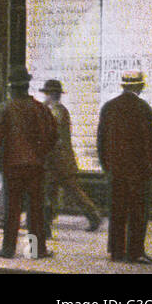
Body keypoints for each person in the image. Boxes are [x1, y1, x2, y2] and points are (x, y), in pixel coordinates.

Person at [0, 65, 57, 259]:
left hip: (12, 166)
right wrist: (41, 153)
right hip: (36, 166)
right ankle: (36, 250)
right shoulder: (40, 108)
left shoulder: (6, 108)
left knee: (12, 209)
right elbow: (53, 136)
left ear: (12, 88)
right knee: (35, 209)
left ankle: (8, 249)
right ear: (27, 86)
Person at [97, 71, 152, 264]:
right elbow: (149, 141)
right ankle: (135, 252)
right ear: (140, 86)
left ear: (123, 86)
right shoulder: (142, 108)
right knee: (137, 211)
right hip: (137, 171)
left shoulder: (108, 107)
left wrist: (105, 165)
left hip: (115, 170)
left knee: (117, 210)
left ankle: (117, 251)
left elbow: (101, 140)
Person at [39, 79, 101, 232]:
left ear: (50, 95)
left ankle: (93, 216)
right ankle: (45, 222)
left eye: (46, 94)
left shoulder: (55, 111)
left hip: (57, 159)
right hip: (59, 159)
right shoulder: (57, 110)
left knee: (71, 190)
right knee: (51, 191)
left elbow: (52, 135)